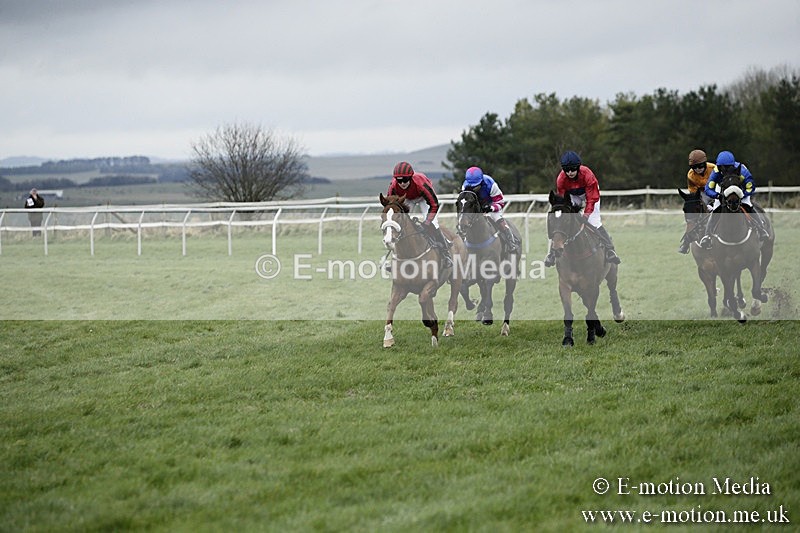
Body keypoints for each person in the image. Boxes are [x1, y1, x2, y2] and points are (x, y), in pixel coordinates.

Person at [544, 151, 621, 267]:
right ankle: (552, 253)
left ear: (578, 167)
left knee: (594, 222)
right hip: (573, 196)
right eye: (567, 170)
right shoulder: (561, 179)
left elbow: (591, 199)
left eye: (572, 169)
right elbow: (564, 200)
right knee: (562, 223)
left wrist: (586, 215)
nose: (570, 173)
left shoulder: (588, 175)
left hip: (591, 195)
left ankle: (610, 250)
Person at [387, 161, 452, 268]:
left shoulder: (420, 183)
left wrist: (427, 222)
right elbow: (391, 206)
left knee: (433, 224)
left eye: (405, 180)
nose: (402, 183)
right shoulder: (393, 186)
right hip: (407, 199)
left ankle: (446, 254)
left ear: (411, 178)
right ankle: (393, 258)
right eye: (399, 180)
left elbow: (434, 204)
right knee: (399, 225)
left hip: (423, 199)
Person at [699, 150, 769, 249]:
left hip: (741, 189)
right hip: (722, 189)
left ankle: (761, 230)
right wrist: (717, 196)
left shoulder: (743, 171)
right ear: (719, 166)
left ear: (733, 165)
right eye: (723, 167)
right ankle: (707, 236)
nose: (725, 169)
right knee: (716, 209)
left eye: (728, 167)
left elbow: (750, 187)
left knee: (748, 205)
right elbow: (708, 188)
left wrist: (742, 195)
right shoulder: (716, 172)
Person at [461, 166, 520, 255]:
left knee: (498, 219)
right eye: (471, 185)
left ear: (481, 181)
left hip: (491, 205)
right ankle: (461, 243)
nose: (473, 188)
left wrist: (491, 208)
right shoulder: (465, 186)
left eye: (475, 185)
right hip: (476, 208)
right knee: (464, 221)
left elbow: (500, 202)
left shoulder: (491, 185)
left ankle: (511, 243)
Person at [678, 149, 715, 254]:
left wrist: (714, 201)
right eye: (694, 167)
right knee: (693, 213)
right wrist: (703, 203)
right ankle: (686, 241)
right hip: (702, 194)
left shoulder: (713, 169)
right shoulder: (690, 175)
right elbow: (693, 191)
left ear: (705, 164)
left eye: (700, 166)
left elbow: (719, 184)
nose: (697, 169)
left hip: (716, 191)